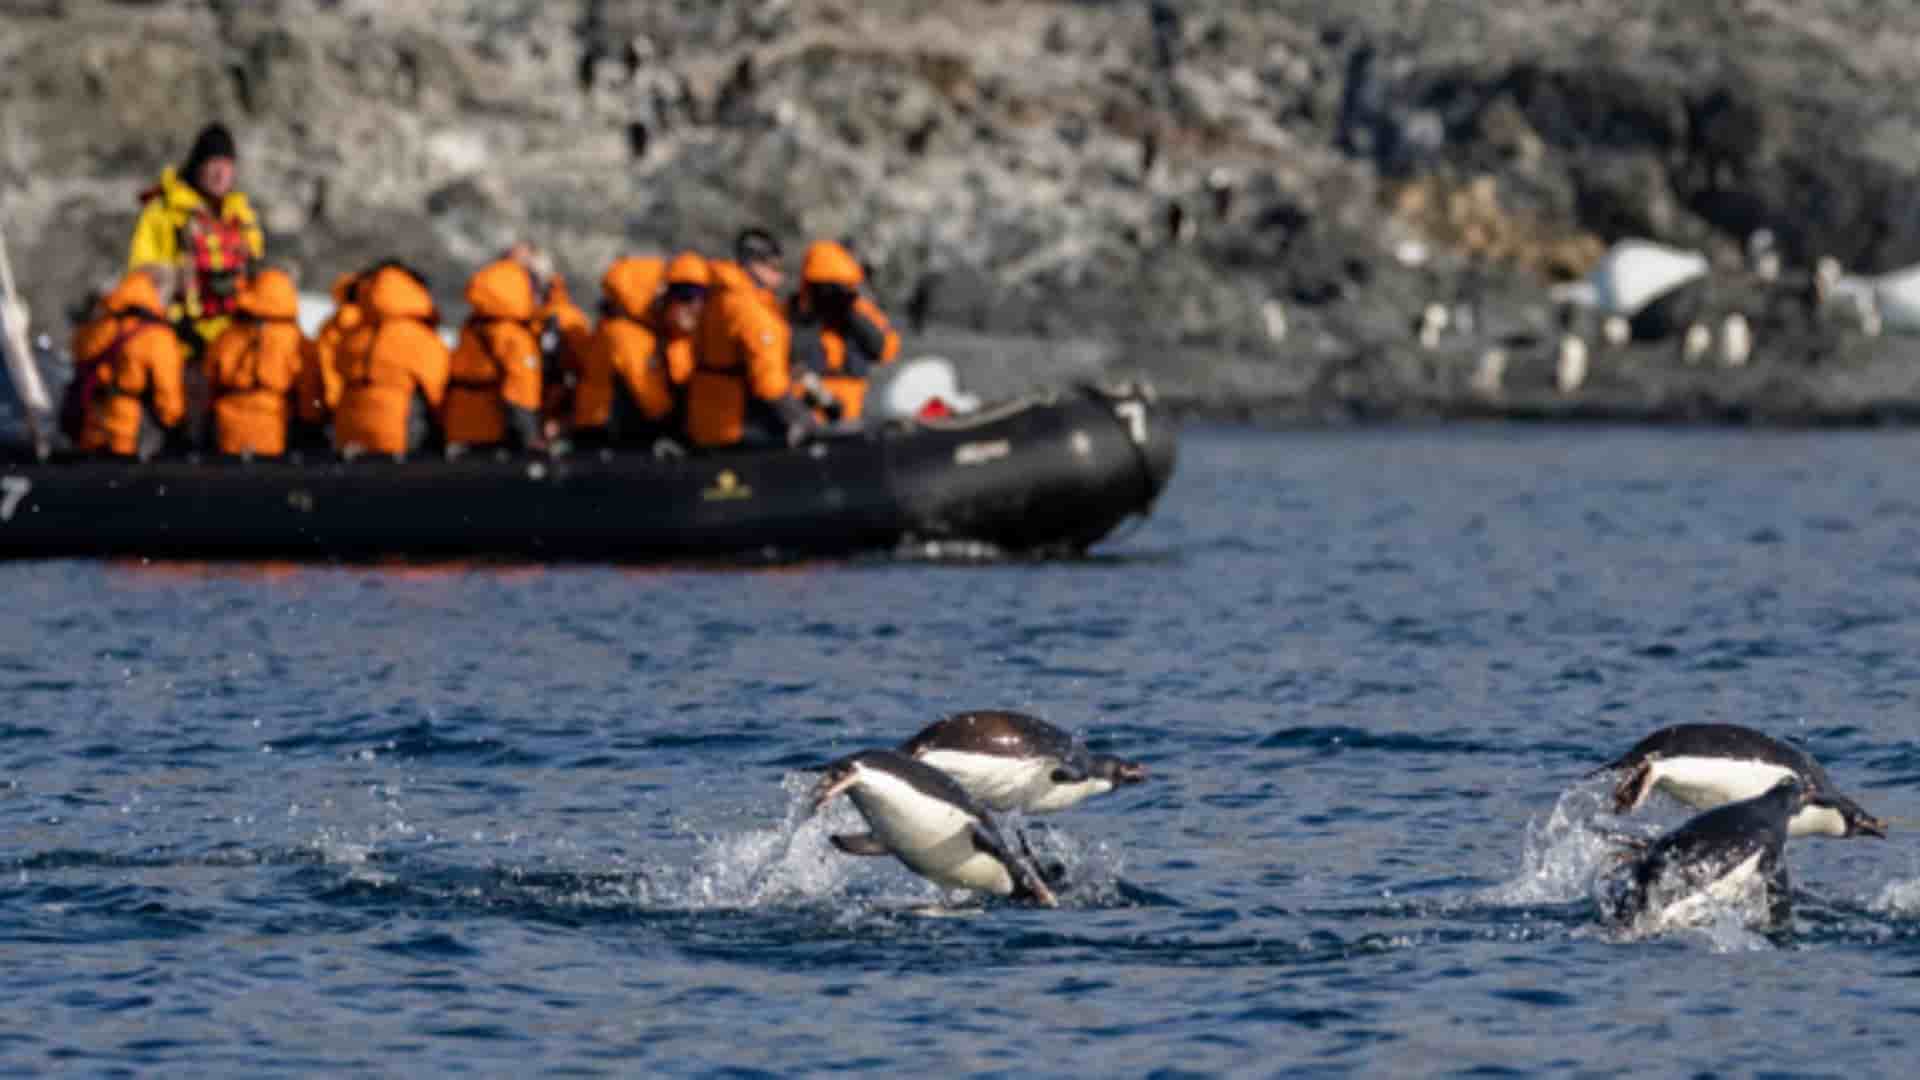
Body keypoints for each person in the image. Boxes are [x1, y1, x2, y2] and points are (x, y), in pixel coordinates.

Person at [127, 123, 265, 354]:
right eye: (213, 163)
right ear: (197, 166)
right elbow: (139, 277)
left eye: (227, 164)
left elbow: (256, 272)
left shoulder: (242, 216)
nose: (220, 173)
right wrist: (182, 277)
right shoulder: (163, 211)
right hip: (178, 337)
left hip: (233, 339)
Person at [688, 227, 814, 449]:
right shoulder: (749, 309)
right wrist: (801, 417)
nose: (780, 275)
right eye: (774, 266)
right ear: (754, 264)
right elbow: (768, 382)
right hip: (736, 424)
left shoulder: (718, 298)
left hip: (707, 419)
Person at [332, 262, 449, 457]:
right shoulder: (420, 337)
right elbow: (437, 394)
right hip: (399, 440)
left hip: (348, 436)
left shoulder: (354, 334)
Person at [71, 265, 186, 458]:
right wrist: (175, 428)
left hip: (91, 429)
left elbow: (78, 354)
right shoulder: (157, 336)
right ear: (157, 290)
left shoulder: (100, 325)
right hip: (131, 437)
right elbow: (168, 397)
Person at [443, 250, 545, 451]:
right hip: (493, 433)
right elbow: (520, 392)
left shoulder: (471, 328)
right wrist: (530, 438)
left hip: (460, 429)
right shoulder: (514, 337)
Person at [788, 239, 901, 422]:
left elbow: (886, 350)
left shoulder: (860, 310)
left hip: (852, 409)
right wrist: (811, 316)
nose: (831, 294)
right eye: (824, 286)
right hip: (806, 411)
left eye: (839, 286)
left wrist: (851, 313)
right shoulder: (794, 314)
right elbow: (788, 358)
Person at [201, 267, 307, 458]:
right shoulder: (296, 339)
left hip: (228, 425)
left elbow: (208, 378)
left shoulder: (227, 335)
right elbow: (308, 388)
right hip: (275, 423)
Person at [296, 268, 365, 444]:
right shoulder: (375, 327)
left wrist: (310, 414)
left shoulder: (329, 327)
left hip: (329, 409)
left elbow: (313, 371)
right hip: (365, 408)